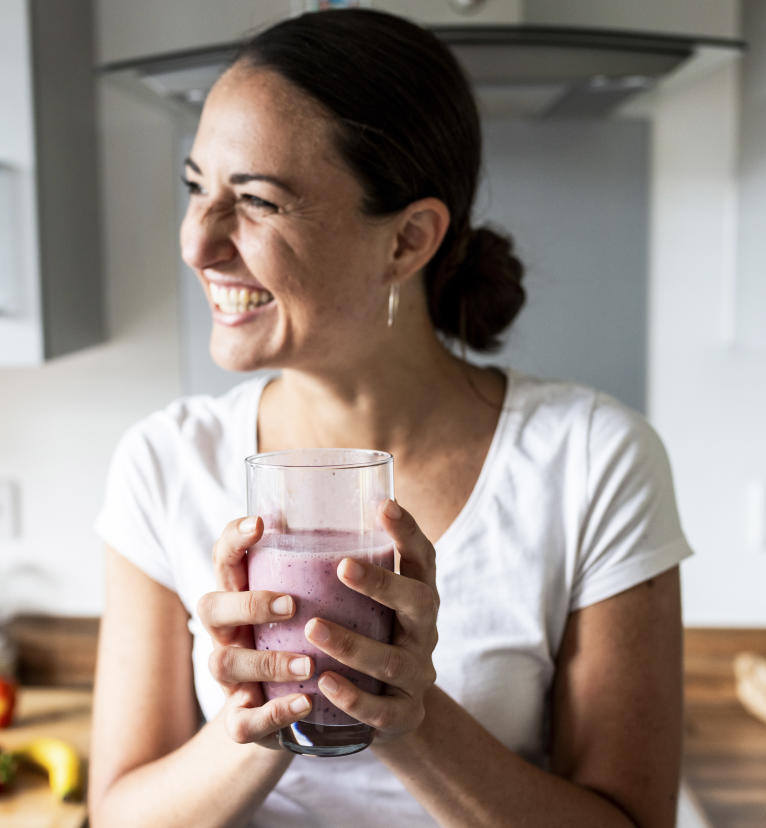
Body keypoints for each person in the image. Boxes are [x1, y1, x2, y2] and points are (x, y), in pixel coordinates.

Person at [89, 9, 690, 827]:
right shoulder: (166, 460)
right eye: (196, 188)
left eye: (257, 201)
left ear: (407, 241)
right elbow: (118, 815)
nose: (198, 242)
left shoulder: (591, 460)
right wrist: (252, 722)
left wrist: (407, 715)